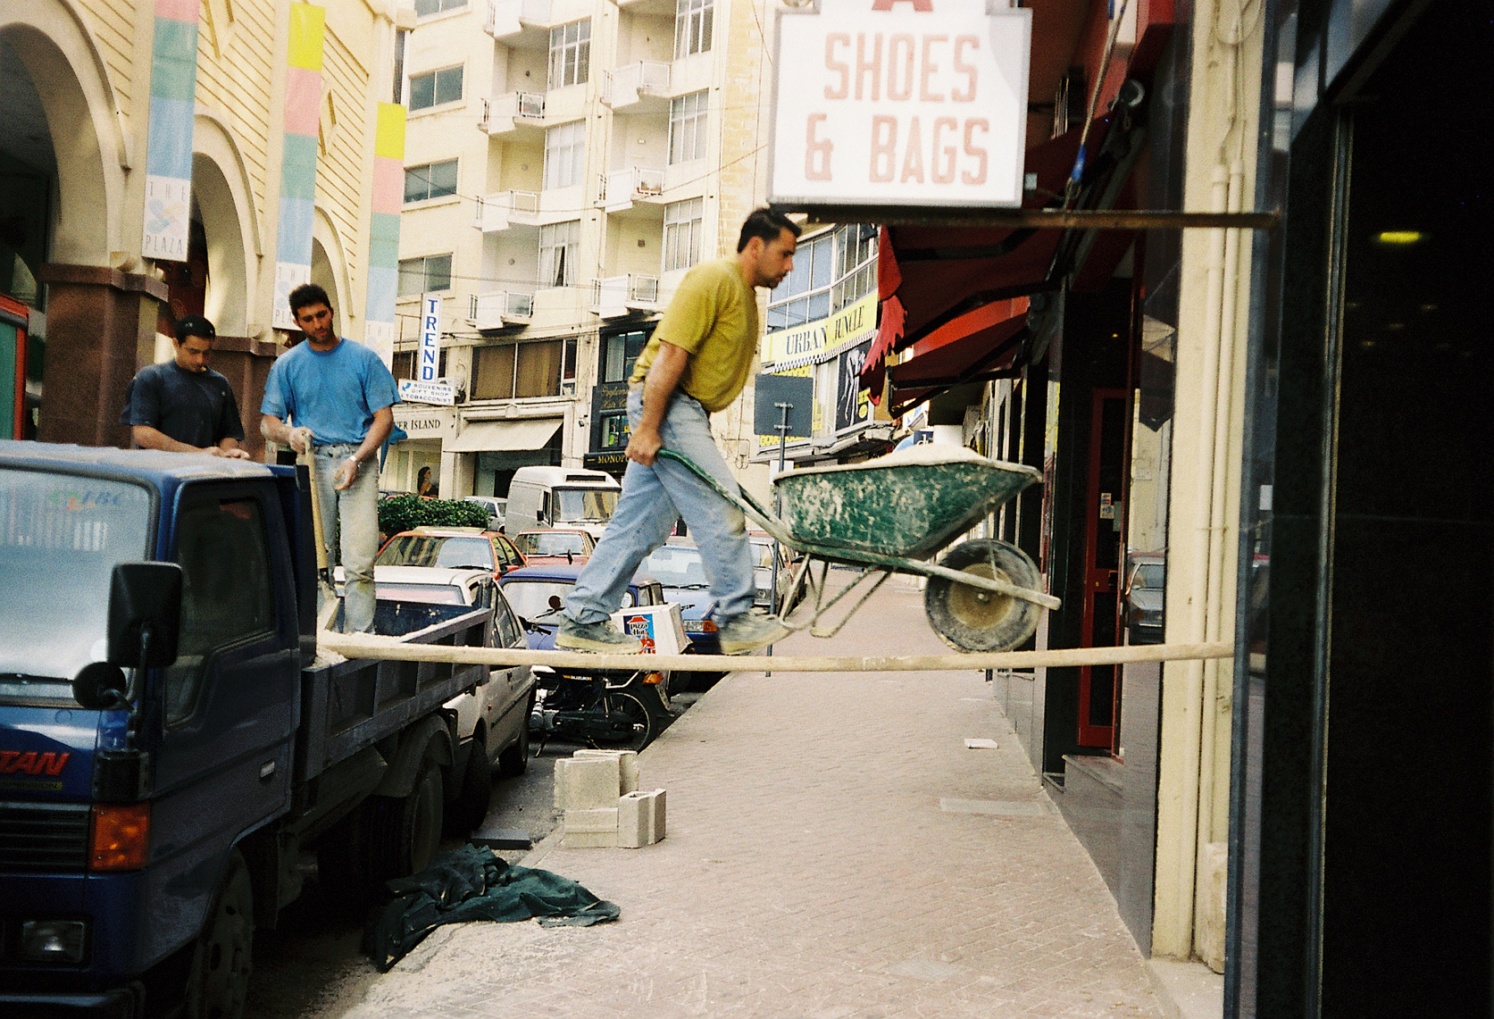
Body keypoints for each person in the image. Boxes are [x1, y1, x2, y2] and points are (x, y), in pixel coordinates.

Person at [557, 207, 801, 656]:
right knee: (721, 506)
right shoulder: (715, 279)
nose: (789, 266)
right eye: (785, 254)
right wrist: (649, 428)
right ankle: (735, 618)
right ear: (755, 246)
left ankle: (583, 616)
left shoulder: (742, 294)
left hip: (682, 410)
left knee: (639, 525)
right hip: (670, 405)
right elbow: (671, 354)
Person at [260, 283, 399, 633]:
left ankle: (359, 638)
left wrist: (357, 459)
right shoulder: (287, 365)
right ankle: (321, 638)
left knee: (360, 561)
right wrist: (289, 434)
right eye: (308, 319)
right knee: (316, 559)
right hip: (313, 461)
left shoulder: (364, 359)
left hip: (358, 458)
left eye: (321, 315)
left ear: (331, 312)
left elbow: (384, 419)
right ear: (297, 322)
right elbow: (268, 423)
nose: (317, 324)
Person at [118, 314, 250, 459]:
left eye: (206, 353)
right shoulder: (152, 377)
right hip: (157, 468)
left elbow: (229, 433)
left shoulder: (220, 384)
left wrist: (228, 453)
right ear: (176, 344)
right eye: (193, 352)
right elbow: (143, 434)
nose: (200, 360)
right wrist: (197, 453)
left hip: (203, 470)